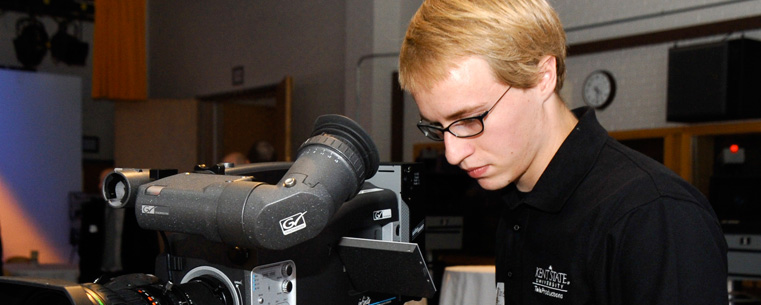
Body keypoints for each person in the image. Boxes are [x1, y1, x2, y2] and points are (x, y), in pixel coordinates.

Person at [398, 0, 728, 304]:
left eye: (470, 119)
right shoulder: (517, 200)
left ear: (543, 77)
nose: (453, 154)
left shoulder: (654, 215)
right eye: (437, 127)